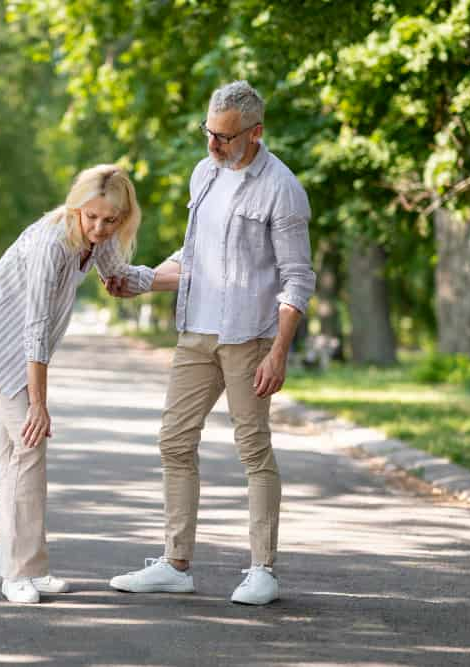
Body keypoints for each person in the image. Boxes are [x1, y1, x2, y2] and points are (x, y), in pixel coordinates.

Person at [106, 81, 316, 605]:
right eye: (209, 132)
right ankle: (176, 563)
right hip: (195, 332)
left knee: (253, 450)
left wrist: (279, 349)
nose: (214, 146)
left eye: (224, 137)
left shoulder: (282, 188)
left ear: (255, 133)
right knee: (174, 442)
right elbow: (195, 258)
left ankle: (262, 570)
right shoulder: (204, 175)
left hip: (250, 337)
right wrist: (140, 279)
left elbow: (297, 278)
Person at [0, 164, 157, 604]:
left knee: (16, 451)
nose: (100, 228)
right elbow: (35, 325)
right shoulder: (53, 242)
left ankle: (30, 568)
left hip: (19, 345)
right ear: (76, 208)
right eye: (91, 217)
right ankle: (18, 574)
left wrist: (183, 274)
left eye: (111, 220)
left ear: (123, 217)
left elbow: (123, 277)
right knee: (30, 442)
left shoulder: (97, 242)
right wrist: (39, 403)